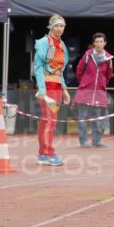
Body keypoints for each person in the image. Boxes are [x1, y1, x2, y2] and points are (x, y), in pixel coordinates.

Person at [34, 14, 71, 166]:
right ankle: (49, 153)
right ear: (51, 26)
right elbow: (37, 67)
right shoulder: (44, 42)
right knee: (50, 119)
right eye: (56, 25)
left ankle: (43, 154)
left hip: (57, 87)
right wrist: (42, 90)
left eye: (62, 26)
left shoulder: (62, 45)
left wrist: (65, 89)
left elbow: (60, 70)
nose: (59, 29)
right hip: (47, 86)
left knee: (49, 119)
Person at [74, 33, 114, 148]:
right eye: (97, 42)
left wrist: (101, 84)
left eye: (101, 41)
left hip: (99, 92)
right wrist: (84, 83)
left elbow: (108, 75)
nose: (99, 44)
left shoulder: (109, 59)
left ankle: (97, 141)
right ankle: (83, 141)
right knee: (82, 117)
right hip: (85, 90)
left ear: (105, 43)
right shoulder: (87, 56)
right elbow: (79, 71)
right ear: (93, 43)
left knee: (97, 118)